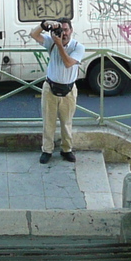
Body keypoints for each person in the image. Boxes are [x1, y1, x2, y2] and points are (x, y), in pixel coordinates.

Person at [31, 18, 85, 163]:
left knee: (66, 122)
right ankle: (47, 150)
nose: (64, 33)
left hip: (68, 90)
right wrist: (45, 24)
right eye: (61, 30)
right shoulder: (51, 42)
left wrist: (60, 45)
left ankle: (66, 149)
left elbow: (68, 63)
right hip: (50, 88)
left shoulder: (78, 47)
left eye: (66, 30)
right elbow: (33, 34)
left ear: (72, 30)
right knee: (48, 122)